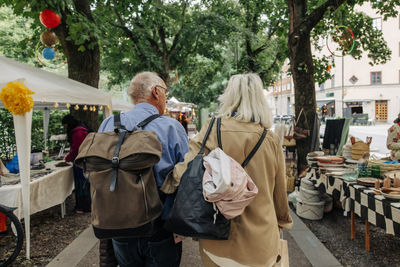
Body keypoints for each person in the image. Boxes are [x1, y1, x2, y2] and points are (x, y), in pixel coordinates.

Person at [162, 73, 293, 267]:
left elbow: (184, 172)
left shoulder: (211, 129)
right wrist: (282, 220)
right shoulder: (270, 139)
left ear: (228, 97)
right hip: (260, 241)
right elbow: (279, 191)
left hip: (216, 238)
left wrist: (165, 186)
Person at [98, 71, 189, 267]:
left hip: (118, 222)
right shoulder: (171, 127)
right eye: (165, 91)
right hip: (160, 225)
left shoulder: (109, 123)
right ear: (156, 92)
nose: (165, 96)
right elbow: (186, 177)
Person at [62, 114, 91, 213]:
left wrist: (68, 158)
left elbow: (76, 149)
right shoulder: (82, 128)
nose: (65, 127)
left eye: (65, 125)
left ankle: (83, 207)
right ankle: (87, 205)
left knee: (81, 184)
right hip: (85, 160)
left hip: (81, 162)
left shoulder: (78, 132)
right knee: (85, 183)